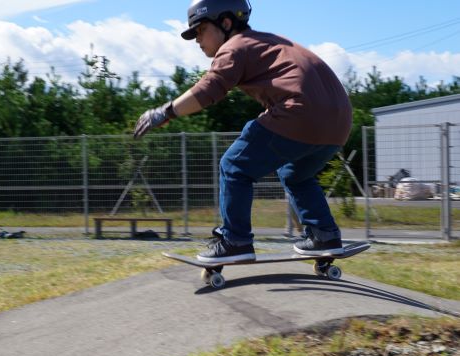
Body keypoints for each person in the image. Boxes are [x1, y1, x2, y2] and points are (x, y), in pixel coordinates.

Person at [133, 0, 352, 263]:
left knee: (234, 165)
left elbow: (209, 89)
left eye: (201, 30)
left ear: (226, 23)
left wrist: (164, 111)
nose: (197, 40)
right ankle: (324, 234)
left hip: (299, 113)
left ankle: (234, 240)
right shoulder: (268, 41)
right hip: (338, 123)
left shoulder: (235, 46)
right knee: (295, 174)